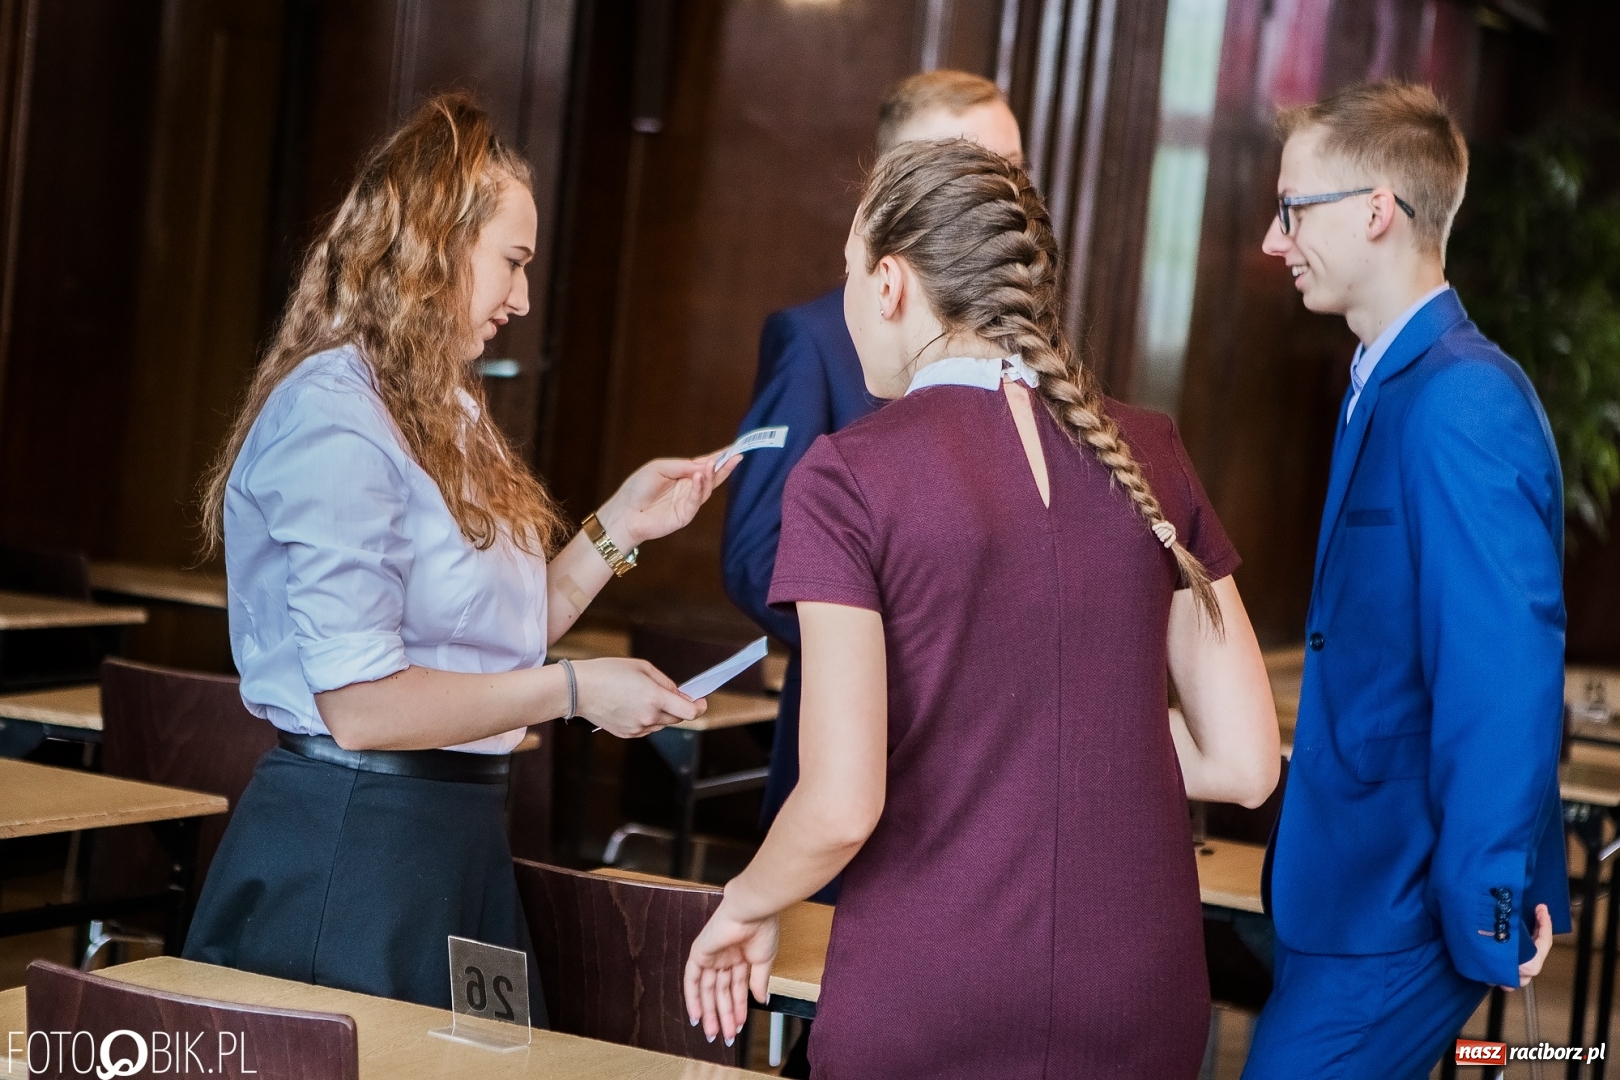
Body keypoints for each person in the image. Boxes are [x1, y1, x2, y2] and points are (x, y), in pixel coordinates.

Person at [686, 139, 1280, 1079]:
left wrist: (744, 905)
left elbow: (842, 802)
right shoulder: (1154, 450)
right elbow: (1245, 763)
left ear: (888, 284)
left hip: (933, 989)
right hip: (1143, 996)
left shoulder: (848, 475)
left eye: (846, 274)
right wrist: (1070, 731)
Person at [185, 94, 737, 1015]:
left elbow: (498, 635)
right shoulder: (336, 414)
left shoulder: (447, 406)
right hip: (355, 841)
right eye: (511, 263)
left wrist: (616, 531)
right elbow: (360, 706)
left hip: (457, 829)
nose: (521, 299)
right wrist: (573, 692)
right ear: (435, 243)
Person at [1243, 80, 1569, 1077]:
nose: (1272, 238)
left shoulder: (1460, 401)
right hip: (1346, 890)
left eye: (1294, 208)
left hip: (1408, 906)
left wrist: (1487, 912)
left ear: (1376, 210)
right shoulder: (1387, 380)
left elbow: (1501, 683)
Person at [722, 70, 1024, 846]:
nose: (1001, 191)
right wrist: (904, 648)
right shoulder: (817, 339)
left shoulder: (1041, 355)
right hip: (850, 745)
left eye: (1013, 167)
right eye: (972, 163)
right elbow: (757, 553)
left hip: (991, 775)